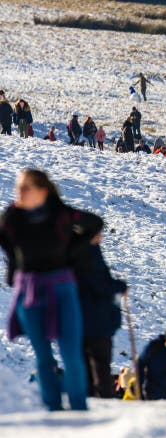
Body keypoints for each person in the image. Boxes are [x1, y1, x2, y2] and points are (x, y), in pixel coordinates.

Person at [0, 169, 103, 411]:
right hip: (29, 288)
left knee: (70, 352)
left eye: (26, 188)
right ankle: (53, 409)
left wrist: (75, 249)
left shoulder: (61, 214)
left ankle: (78, 408)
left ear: (42, 191)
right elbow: (4, 238)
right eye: (18, 187)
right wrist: (15, 266)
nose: (20, 192)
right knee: (43, 356)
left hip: (61, 286)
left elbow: (95, 223)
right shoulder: (13, 216)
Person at [74, 231, 127, 398]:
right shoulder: (90, 254)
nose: (101, 236)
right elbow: (99, 283)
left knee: (86, 364)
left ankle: (88, 398)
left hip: (83, 320)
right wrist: (119, 286)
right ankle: (102, 400)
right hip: (97, 320)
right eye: (98, 232)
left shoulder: (76, 252)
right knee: (100, 365)